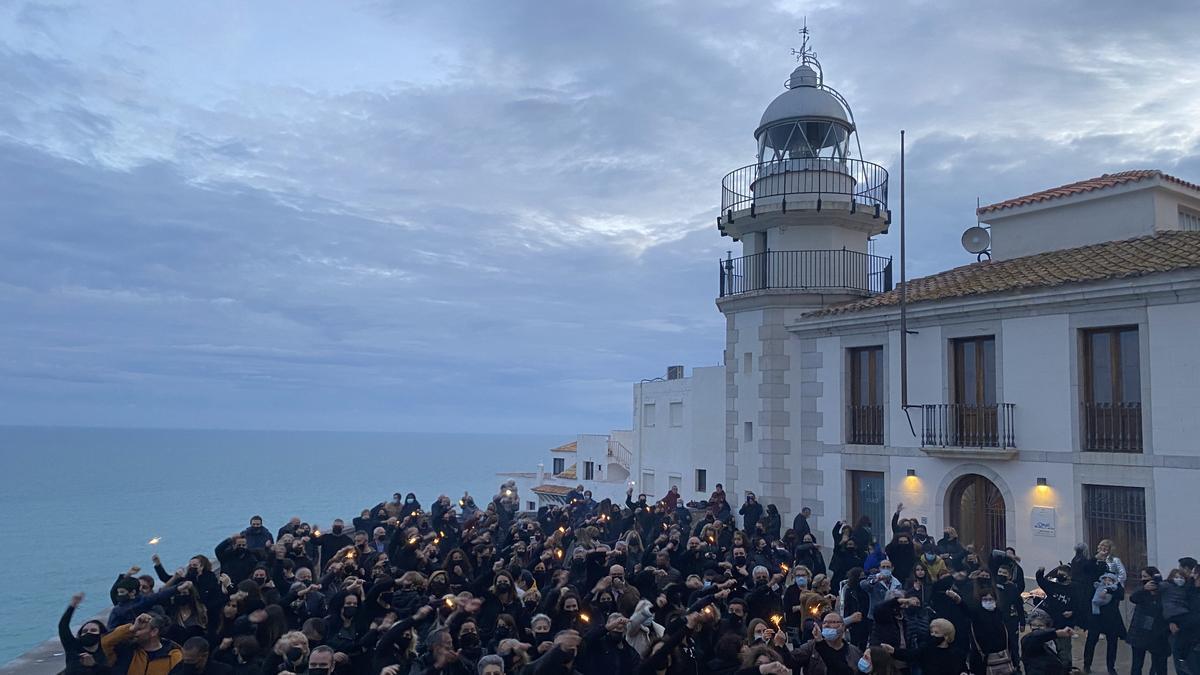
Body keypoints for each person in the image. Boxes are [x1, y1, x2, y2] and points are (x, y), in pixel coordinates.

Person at [100, 613, 182, 675]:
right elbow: (104, 644)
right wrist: (131, 629)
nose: (135, 633)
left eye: (139, 629)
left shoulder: (173, 656)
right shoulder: (128, 650)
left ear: (154, 632)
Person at [1127, 567, 1170, 675]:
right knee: (1137, 664)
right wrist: (1144, 589)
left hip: (1158, 633)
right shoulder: (1141, 590)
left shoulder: (1163, 590)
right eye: (1142, 577)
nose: (1143, 579)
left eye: (1146, 576)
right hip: (1139, 632)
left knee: (1159, 665)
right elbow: (1133, 598)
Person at [1083, 571, 1125, 675]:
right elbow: (1089, 598)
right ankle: (1087, 665)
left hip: (1111, 619)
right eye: (1105, 578)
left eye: (1109, 578)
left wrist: (1107, 589)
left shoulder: (1116, 586)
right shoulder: (1096, 585)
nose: (1107, 580)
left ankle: (1111, 667)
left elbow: (1121, 595)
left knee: (1112, 643)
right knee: (1091, 641)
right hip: (1096, 618)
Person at [1022, 610, 1073, 675]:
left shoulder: (1056, 642)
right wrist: (1056, 633)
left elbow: (1065, 660)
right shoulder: (1028, 641)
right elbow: (1035, 637)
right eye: (1033, 625)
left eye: (1040, 626)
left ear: (1048, 627)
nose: (1037, 628)